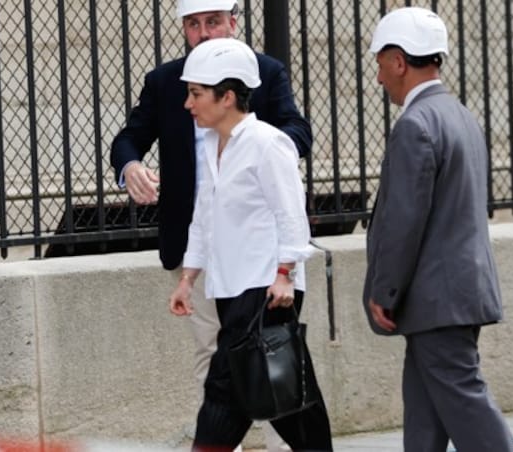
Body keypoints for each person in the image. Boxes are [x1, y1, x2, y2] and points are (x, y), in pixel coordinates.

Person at [109, 1, 308, 449]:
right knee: (215, 361)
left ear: (233, 23)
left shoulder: (265, 79)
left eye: (213, 22)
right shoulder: (167, 82)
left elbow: (297, 139)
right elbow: (129, 139)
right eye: (193, 25)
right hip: (201, 247)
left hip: (260, 258)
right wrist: (132, 166)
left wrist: (260, 155)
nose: (203, 33)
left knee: (271, 360)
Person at [362, 7, 513, 452]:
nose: (378, 78)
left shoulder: (415, 125)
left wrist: (384, 290)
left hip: (437, 299)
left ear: (398, 61)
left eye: (379, 64)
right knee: (425, 416)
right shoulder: (459, 115)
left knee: (467, 406)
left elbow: (403, 222)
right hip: (456, 293)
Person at [167, 37, 333, 452]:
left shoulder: (267, 142)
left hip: (265, 287)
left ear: (227, 97)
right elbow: (204, 216)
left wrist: (284, 274)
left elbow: (290, 213)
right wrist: (189, 277)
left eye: (196, 94)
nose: (189, 104)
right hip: (229, 286)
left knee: (227, 388)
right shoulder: (208, 145)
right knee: (280, 392)